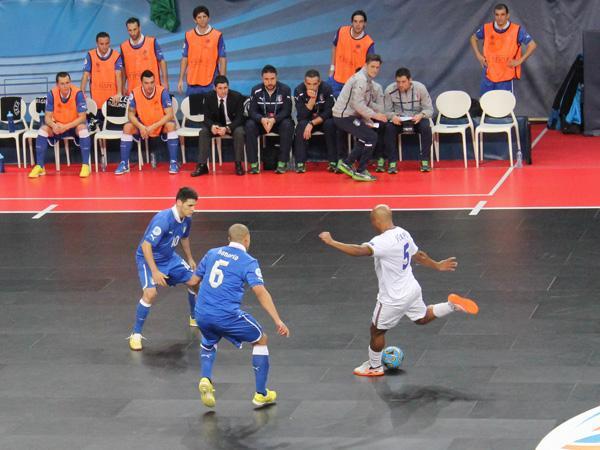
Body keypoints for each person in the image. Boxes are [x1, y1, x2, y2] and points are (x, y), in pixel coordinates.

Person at [319, 204, 479, 377]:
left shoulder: (382, 241)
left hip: (393, 298)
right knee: (421, 318)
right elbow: (419, 255)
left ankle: (374, 367)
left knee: (377, 331)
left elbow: (359, 251)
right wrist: (437, 265)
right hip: (412, 289)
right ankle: (451, 305)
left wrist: (332, 242)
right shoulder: (403, 233)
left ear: (375, 221)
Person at [189, 223, 290, 408]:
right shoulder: (248, 261)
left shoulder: (212, 253)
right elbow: (260, 292)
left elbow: (193, 281)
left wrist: (198, 295)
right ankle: (261, 394)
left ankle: (205, 378)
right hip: (226, 315)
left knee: (209, 340)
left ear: (228, 239)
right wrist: (277, 320)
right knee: (261, 339)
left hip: (202, 312)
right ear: (247, 239)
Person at [128, 187, 200, 351]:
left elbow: (184, 237)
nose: (193, 209)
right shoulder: (163, 220)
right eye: (190, 205)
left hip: (169, 258)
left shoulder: (187, 219)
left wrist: (189, 258)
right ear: (179, 203)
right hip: (148, 259)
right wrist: (154, 271)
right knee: (150, 293)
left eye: (194, 205)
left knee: (195, 281)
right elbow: (146, 246)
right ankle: (136, 334)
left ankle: (194, 316)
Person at [332, 54, 387, 182]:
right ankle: (361, 171)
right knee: (371, 137)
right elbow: (357, 104)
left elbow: (365, 103)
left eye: (377, 67)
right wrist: (375, 115)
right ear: (365, 65)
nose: (375, 70)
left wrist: (371, 118)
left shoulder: (367, 80)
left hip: (350, 115)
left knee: (366, 136)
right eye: (372, 66)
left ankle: (347, 163)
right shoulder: (361, 80)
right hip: (343, 116)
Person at [115, 70, 180, 175]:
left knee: (171, 125)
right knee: (127, 127)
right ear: (141, 83)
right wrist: (141, 126)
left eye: (152, 82)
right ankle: (124, 164)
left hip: (159, 124)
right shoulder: (134, 93)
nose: (149, 86)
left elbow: (169, 114)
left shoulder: (162, 92)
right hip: (143, 125)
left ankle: (173, 162)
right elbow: (130, 114)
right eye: (146, 83)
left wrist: (153, 127)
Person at [28, 72, 91, 179]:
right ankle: (40, 166)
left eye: (67, 83)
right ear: (57, 85)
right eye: (62, 84)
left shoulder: (78, 93)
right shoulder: (52, 94)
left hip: (73, 126)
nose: (65, 86)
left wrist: (66, 126)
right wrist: (54, 125)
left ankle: (86, 165)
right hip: (58, 127)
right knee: (43, 129)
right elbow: (47, 117)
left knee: (83, 128)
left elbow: (82, 118)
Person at [470, 3, 537, 95]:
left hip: (505, 77)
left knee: (503, 103)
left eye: (502, 14)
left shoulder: (517, 30)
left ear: (507, 16)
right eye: (497, 15)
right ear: (494, 16)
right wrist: (478, 55)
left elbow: (532, 45)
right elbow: (473, 38)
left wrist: (519, 61)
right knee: (485, 102)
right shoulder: (486, 28)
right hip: (488, 75)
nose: (499, 18)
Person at [192, 75, 246, 176]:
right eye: (220, 88)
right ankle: (202, 165)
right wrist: (212, 126)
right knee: (203, 132)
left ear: (228, 87)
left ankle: (238, 164)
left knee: (239, 132)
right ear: (215, 88)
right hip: (216, 125)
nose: (223, 91)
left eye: (225, 88)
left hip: (231, 125)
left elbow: (240, 118)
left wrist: (227, 128)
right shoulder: (208, 97)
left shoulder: (237, 97)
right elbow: (206, 118)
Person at [383, 67, 434, 173]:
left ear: (410, 80)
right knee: (388, 128)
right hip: (399, 120)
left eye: (403, 82)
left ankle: (425, 161)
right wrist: (392, 117)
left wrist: (421, 115)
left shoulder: (420, 88)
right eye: (398, 82)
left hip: (416, 119)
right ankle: (392, 163)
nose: (400, 85)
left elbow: (429, 110)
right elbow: (386, 112)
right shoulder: (389, 90)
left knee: (426, 127)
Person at [245, 65, 293, 174]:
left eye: (272, 79)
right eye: (266, 79)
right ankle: (253, 164)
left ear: (276, 77)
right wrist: (262, 119)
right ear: (262, 79)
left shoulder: (285, 89)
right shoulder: (256, 90)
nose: (269, 82)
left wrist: (274, 120)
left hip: (278, 122)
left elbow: (287, 111)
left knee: (288, 124)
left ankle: (282, 163)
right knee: (249, 125)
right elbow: (252, 111)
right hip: (262, 123)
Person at [177, 5, 227, 96]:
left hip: (211, 81)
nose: (202, 19)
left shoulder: (217, 35)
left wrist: (222, 81)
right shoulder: (188, 35)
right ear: (195, 20)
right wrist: (180, 79)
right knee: (192, 105)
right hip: (192, 81)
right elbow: (185, 58)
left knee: (211, 105)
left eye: (204, 16)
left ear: (208, 18)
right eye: (199, 17)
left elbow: (222, 59)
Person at [293, 69, 336, 173]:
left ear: (319, 82)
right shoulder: (299, 90)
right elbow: (301, 115)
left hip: (322, 120)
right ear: (305, 82)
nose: (312, 87)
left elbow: (329, 112)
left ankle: (333, 162)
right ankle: (300, 163)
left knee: (331, 124)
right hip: (306, 120)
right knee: (301, 126)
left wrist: (312, 123)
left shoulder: (326, 88)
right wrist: (312, 100)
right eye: (309, 84)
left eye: (315, 84)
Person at [328, 10, 375, 97]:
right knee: (330, 103)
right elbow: (334, 47)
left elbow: (370, 65)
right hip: (335, 80)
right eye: (355, 21)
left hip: (353, 84)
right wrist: (332, 69)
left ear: (365, 24)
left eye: (361, 22)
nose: (358, 24)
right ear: (351, 22)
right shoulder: (341, 31)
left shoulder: (369, 43)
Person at [120, 17, 169, 94]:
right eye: (130, 30)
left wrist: (165, 82)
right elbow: (123, 68)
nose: (133, 33)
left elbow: (162, 61)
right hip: (133, 91)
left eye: (135, 29)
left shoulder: (152, 42)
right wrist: (123, 86)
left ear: (139, 28)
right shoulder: (124, 46)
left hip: (153, 89)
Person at [80, 32, 123, 113]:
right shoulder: (90, 55)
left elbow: (118, 75)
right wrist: (81, 93)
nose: (104, 46)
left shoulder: (116, 55)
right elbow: (85, 75)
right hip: (96, 102)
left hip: (112, 101)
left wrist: (119, 93)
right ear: (97, 43)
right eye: (101, 44)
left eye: (107, 43)